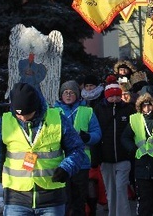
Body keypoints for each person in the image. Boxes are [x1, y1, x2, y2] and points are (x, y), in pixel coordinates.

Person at [0, 82, 88, 215]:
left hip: (51, 198)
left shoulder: (57, 119)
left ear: (36, 107)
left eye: (27, 114)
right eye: (18, 115)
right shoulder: (3, 123)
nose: (23, 118)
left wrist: (67, 167)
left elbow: (77, 149)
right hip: (16, 198)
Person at [54, 80, 101, 216]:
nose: (68, 95)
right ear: (61, 95)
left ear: (77, 95)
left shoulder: (87, 111)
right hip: (61, 163)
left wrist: (88, 137)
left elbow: (97, 133)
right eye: (65, 92)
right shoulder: (54, 112)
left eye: (71, 92)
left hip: (82, 163)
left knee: (79, 201)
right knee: (64, 201)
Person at [94, 75, 136, 216]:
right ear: (106, 96)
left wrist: (131, 151)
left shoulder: (128, 110)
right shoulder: (99, 109)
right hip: (105, 158)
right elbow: (96, 133)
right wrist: (96, 156)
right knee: (110, 191)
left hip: (123, 157)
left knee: (121, 188)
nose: (115, 99)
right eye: (112, 96)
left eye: (117, 96)